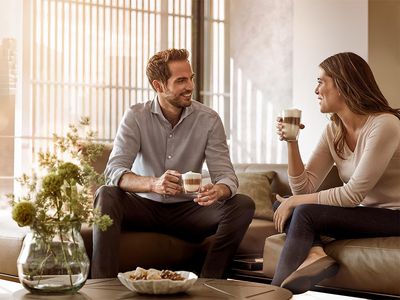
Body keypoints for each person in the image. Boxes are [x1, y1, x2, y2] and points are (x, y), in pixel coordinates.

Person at [91, 48, 255, 279]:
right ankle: (102, 285)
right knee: (106, 194)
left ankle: (211, 282)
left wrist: (218, 190)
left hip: (189, 211)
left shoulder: (209, 119)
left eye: (191, 78)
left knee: (242, 204)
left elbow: (226, 176)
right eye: (181, 81)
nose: (190, 86)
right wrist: (153, 183)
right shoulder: (136, 116)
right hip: (144, 207)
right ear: (158, 86)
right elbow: (114, 171)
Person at [273, 52, 400, 294]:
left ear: (342, 85)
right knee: (280, 205)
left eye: (321, 81)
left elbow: (352, 195)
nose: (316, 89)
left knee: (300, 209)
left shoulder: (384, 124)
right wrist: (292, 142)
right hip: (368, 214)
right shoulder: (334, 129)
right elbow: (304, 188)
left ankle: (273, 295)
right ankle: (316, 253)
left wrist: (296, 202)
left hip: (395, 215)